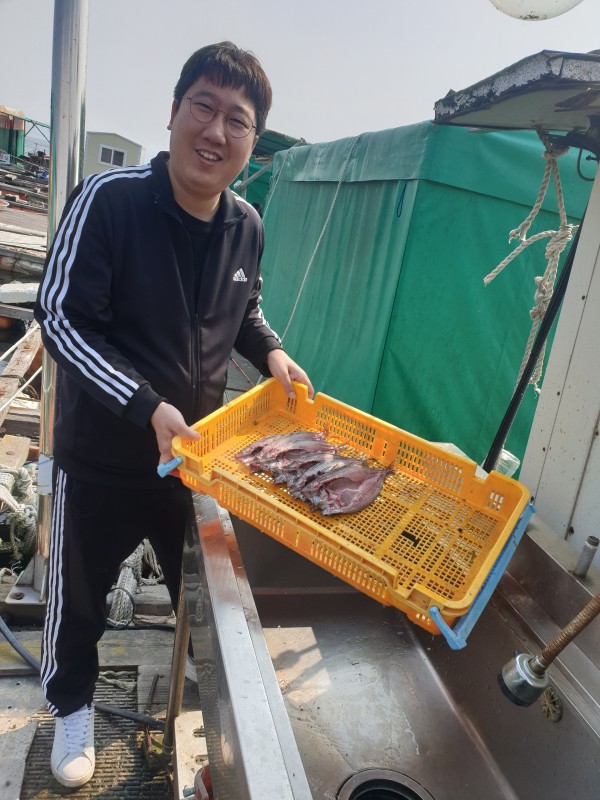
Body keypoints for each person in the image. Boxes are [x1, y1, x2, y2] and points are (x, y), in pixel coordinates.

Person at [34, 41, 313, 789]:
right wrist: (146, 404)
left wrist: (274, 352)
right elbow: (60, 318)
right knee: (78, 599)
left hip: (195, 459)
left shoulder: (247, 224)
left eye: (237, 120)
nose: (216, 132)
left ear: (252, 142)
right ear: (173, 112)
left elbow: (245, 309)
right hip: (101, 457)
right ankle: (71, 707)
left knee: (207, 593)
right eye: (203, 108)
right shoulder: (110, 200)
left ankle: (204, 692)